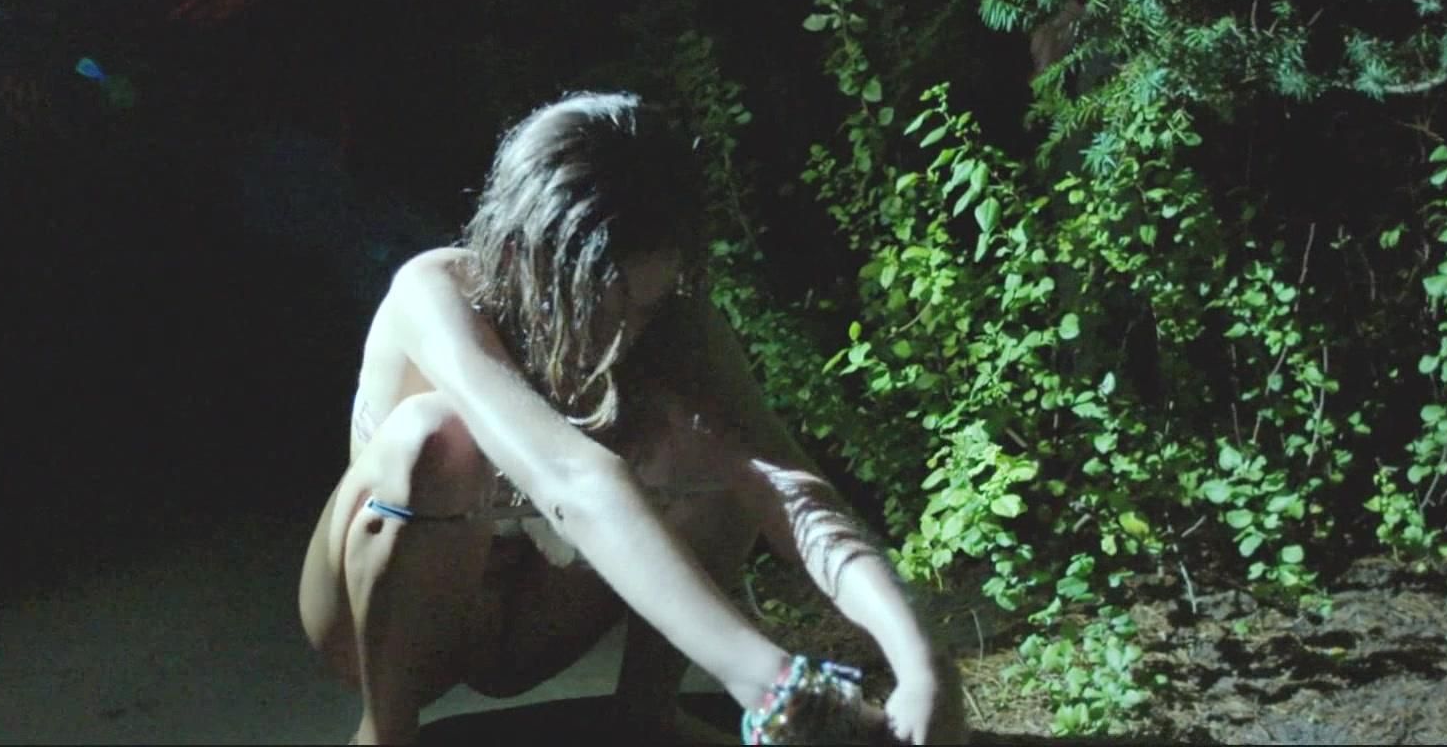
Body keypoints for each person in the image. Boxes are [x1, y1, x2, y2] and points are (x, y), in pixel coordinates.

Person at [296, 91, 967, 745]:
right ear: (523, 255)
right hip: (379, 628)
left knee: (717, 443)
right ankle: (383, 732)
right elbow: (571, 479)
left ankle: (647, 711)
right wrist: (768, 680)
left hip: (532, 625)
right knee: (439, 435)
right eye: (597, 303)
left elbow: (783, 480)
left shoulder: (674, 318)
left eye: (643, 307)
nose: (622, 334)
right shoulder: (436, 292)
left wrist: (922, 659)